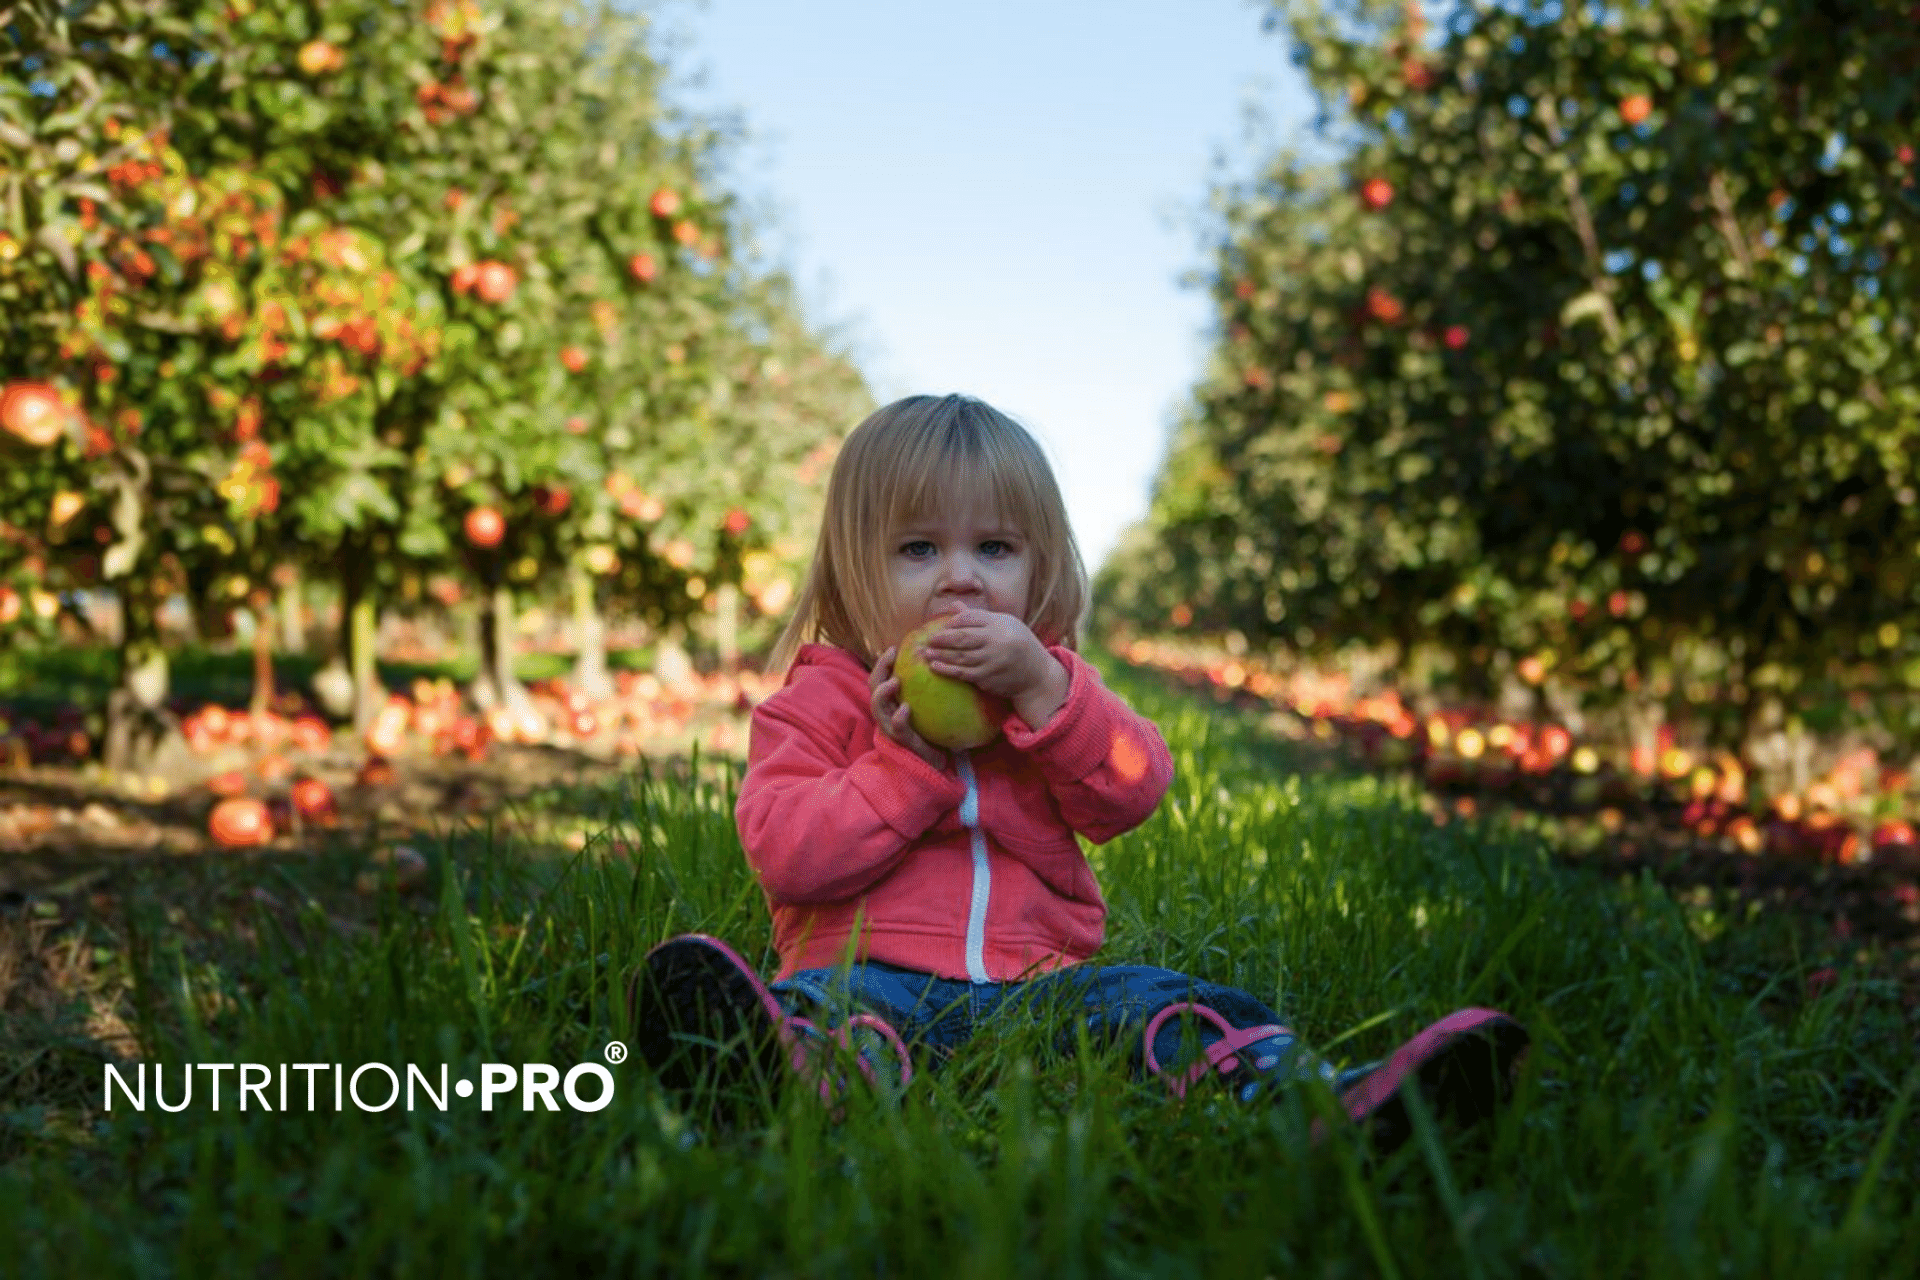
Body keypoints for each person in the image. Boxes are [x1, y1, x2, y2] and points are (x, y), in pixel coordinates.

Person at [629, 393, 1528, 1148]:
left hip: (1045, 983)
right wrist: (904, 768)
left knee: (1171, 1006)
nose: (961, 581)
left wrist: (1048, 696)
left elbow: (1133, 790)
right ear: (850, 567)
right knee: (829, 1014)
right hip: (867, 970)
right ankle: (778, 1075)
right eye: (917, 550)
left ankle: (1325, 1102)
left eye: (995, 549)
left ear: (1039, 565)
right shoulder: (814, 706)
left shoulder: (1051, 691)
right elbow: (788, 856)